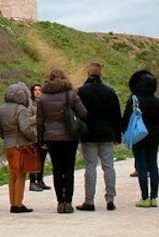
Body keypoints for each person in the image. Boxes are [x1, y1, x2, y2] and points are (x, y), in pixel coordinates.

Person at [36, 68, 88, 214]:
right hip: (69, 136)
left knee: (57, 170)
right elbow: (83, 113)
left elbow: (40, 120)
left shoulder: (43, 97)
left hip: (51, 137)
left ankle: (60, 202)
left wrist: (40, 138)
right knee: (69, 169)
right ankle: (68, 202)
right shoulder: (71, 95)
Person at [76, 62, 122, 211]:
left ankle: (89, 201)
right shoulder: (109, 91)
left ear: (88, 74)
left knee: (90, 167)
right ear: (101, 73)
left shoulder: (82, 91)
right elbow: (116, 115)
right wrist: (117, 135)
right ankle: (110, 198)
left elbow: (78, 113)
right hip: (107, 133)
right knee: (108, 166)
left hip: (89, 134)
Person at [122, 70, 159, 208]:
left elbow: (126, 120)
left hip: (138, 136)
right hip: (153, 136)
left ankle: (144, 197)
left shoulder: (134, 100)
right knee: (153, 165)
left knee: (141, 166)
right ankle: (154, 197)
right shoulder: (158, 101)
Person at [0, 82, 37, 213]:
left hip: (8, 145)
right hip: (20, 145)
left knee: (12, 174)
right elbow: (25, 128)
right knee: (21, 174)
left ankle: (12, 202)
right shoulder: (21, 109)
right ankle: (18, 204)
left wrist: (7, 139)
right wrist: (33, 137)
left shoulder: (1, 109)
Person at [28, 83, 51, 192]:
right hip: (34, 135)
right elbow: (27, 120)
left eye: (39, 90)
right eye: (35, 90)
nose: (37, 91)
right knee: (33, 159)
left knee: (42, 158)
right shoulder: (29, 104)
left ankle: (40, 180)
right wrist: (38, 117)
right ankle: (32, 181)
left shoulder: (44, 103)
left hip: (44, 134)